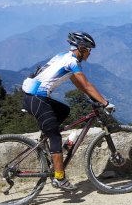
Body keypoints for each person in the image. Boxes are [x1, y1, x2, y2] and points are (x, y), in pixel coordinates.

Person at [22, 31, 115, 191]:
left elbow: (78, 83)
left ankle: (50, 142)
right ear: (81, 48)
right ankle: (59, 177)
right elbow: (86, 84)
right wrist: (104, 102)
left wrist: (91, 98)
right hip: (37, 98)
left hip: (32, 96)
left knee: (64, 110)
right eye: (88, 49)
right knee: (55, 137)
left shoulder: (63, 56)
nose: (90, 53)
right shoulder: (72, 62)